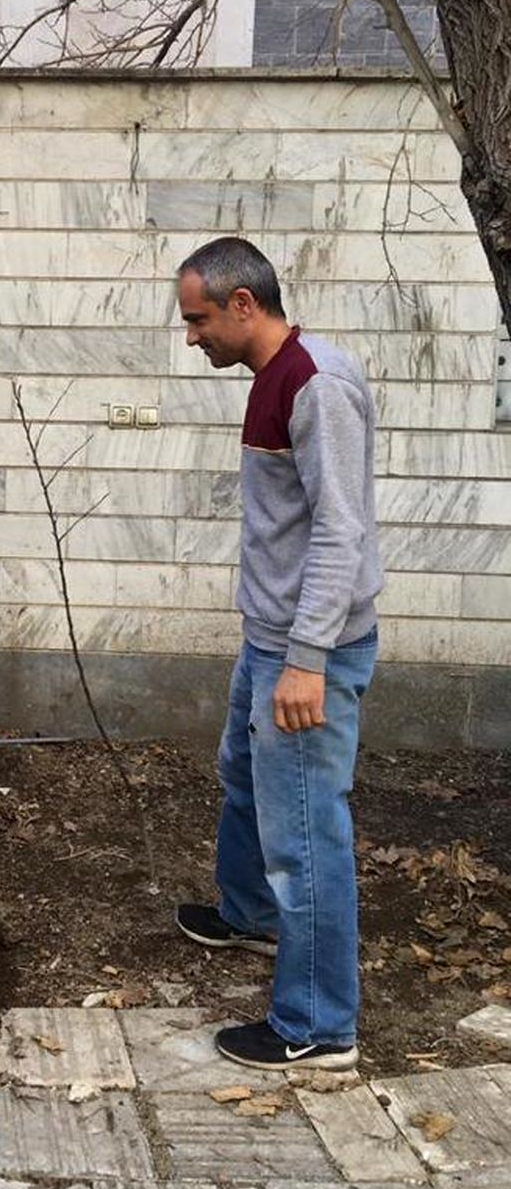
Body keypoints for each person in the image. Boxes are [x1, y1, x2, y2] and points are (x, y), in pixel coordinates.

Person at [174, 237, 381, 1070]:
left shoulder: (316, 386)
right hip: (270, 638)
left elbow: (341, 528)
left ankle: (320, 1026)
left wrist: (306, 659)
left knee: (305, 835)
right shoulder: (278, 373)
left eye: (198, 320)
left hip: (306, 651)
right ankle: (252, 915)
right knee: (244, 778)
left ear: (243, 305)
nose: (192, 337)